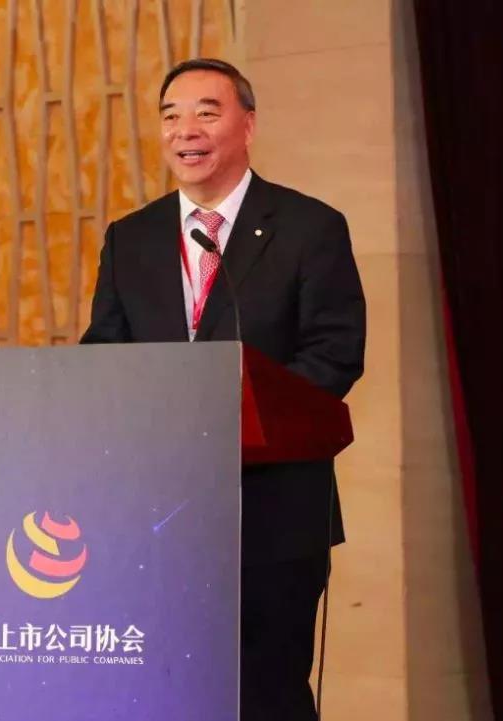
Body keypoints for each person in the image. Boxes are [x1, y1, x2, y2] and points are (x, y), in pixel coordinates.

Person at [81, 58, 366, 721]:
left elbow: (334, 353)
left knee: (264, 695)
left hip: (274, 512)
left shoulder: (309, 228)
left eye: (207, 113)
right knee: (169, 694)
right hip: (159, 514)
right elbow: (103, 356)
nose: (186, 130)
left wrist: (235, 419)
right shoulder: (131, 238)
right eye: (171, 116)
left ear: (248, 125)